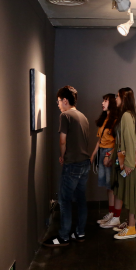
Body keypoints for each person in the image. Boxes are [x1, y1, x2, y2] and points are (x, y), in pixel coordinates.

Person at [43, 86, 90, 247]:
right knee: (81, 199)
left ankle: (63, 236)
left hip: (72, 164)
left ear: (65, 100)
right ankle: (80, 232)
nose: (58, 105)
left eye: (58, 101)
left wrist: (62, 156)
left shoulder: (65, 116)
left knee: (64, 200)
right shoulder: (83, 116)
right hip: (85, 163)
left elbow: (63, 140)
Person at [100, 87, 136, 239]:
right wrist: (112, 157)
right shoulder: (126, 115)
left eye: (118, 96)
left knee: (130, 194)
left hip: (127, 164)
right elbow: (120, 142)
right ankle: (128, 224)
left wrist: (129, 164)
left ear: (124, 99)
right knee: (123, 191)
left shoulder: (126, 116)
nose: (115, 99)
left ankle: (131, 229)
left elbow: (130, 141)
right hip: (123, 162)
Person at [91, 94, 119, 226]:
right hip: (102, 152)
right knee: (108, 186)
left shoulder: (115, 121)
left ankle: (115, 216)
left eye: (106, 101)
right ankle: (111, 213)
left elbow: (117, 143)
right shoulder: (104, 119)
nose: (102, 103)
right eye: (103, 100)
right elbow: (99, 140)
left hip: (109, 153)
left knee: (112, 185)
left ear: (111, 103)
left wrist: (108, 155)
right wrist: (93, 155)